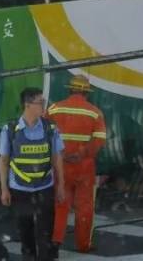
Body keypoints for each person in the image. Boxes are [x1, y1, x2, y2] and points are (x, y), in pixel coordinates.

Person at [0, 87, 65, 261]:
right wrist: (4, 189)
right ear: (27, 105)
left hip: (45, 187)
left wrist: (61, 187)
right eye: (40, 102)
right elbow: (4, 161)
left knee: (45, 235)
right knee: (25, 233)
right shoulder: (10, 129)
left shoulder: (50, 128)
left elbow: (57, 159)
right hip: (20, 189)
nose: (44, 105)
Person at [47, 75, 106, 255]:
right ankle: (83, 244)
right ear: (86, 92)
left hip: (60, 166)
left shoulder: (54, 109)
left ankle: (56, 241)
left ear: (69, 89)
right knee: (85, 206)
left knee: (60, 203)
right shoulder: (95, 112)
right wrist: (82, 153)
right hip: (84, 167)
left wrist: (60, 154)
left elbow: (44, 134)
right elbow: (100, 140)